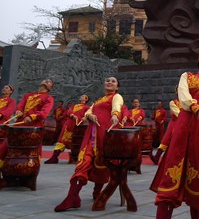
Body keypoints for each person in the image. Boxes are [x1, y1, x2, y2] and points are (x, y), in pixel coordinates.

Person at [150, 46, 199, 219]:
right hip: (185, 124)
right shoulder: (187, 76)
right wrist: (196, 107)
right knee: (174, 163)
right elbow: (184, 97)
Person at [54, 77, 123, 212]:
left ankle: (97, 192)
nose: (109, 82)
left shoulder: (117, 96)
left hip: (105, 134)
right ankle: (72, 197)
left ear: (117, 87)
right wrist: (90, 116)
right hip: (91, 134)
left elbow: (117, 107)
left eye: (113, 81)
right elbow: (88, 112)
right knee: (84, 161)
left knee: (101, 162)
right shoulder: (98, 100)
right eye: (107, 80)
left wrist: (115, 115)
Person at [0, 79, 55, 179]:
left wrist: (32, 117)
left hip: (34, 127)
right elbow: (20, 106)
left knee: (29, 151)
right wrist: (18, 111)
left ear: (51, 88)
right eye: (46, 80)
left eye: (49, 82)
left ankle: (28, 174)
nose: (47, 81)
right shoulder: (28, 95)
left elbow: (44, 113)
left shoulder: (49, 98)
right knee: (5, 146)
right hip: (19, 124)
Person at [45, 94, 90, 164]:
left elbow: (88, 114)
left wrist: (85, 118)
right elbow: (69, 111)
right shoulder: (74, 106)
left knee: (76, 142)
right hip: (68, 125)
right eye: (81, 96)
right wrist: (72, 115)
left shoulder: (87, 107)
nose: (81, 97)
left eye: (84, 96)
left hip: (77, 126)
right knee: (61, 140)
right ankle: (54, 157)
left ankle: (75, 157)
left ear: (86, 99)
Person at [150, 87, 183, 165]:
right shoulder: (174, 102)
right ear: (176, 92)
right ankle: (157, 157)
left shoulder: (187, 102)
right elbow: (176, 114)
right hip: (175, 123)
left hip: (184, 123)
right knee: (166, 139)